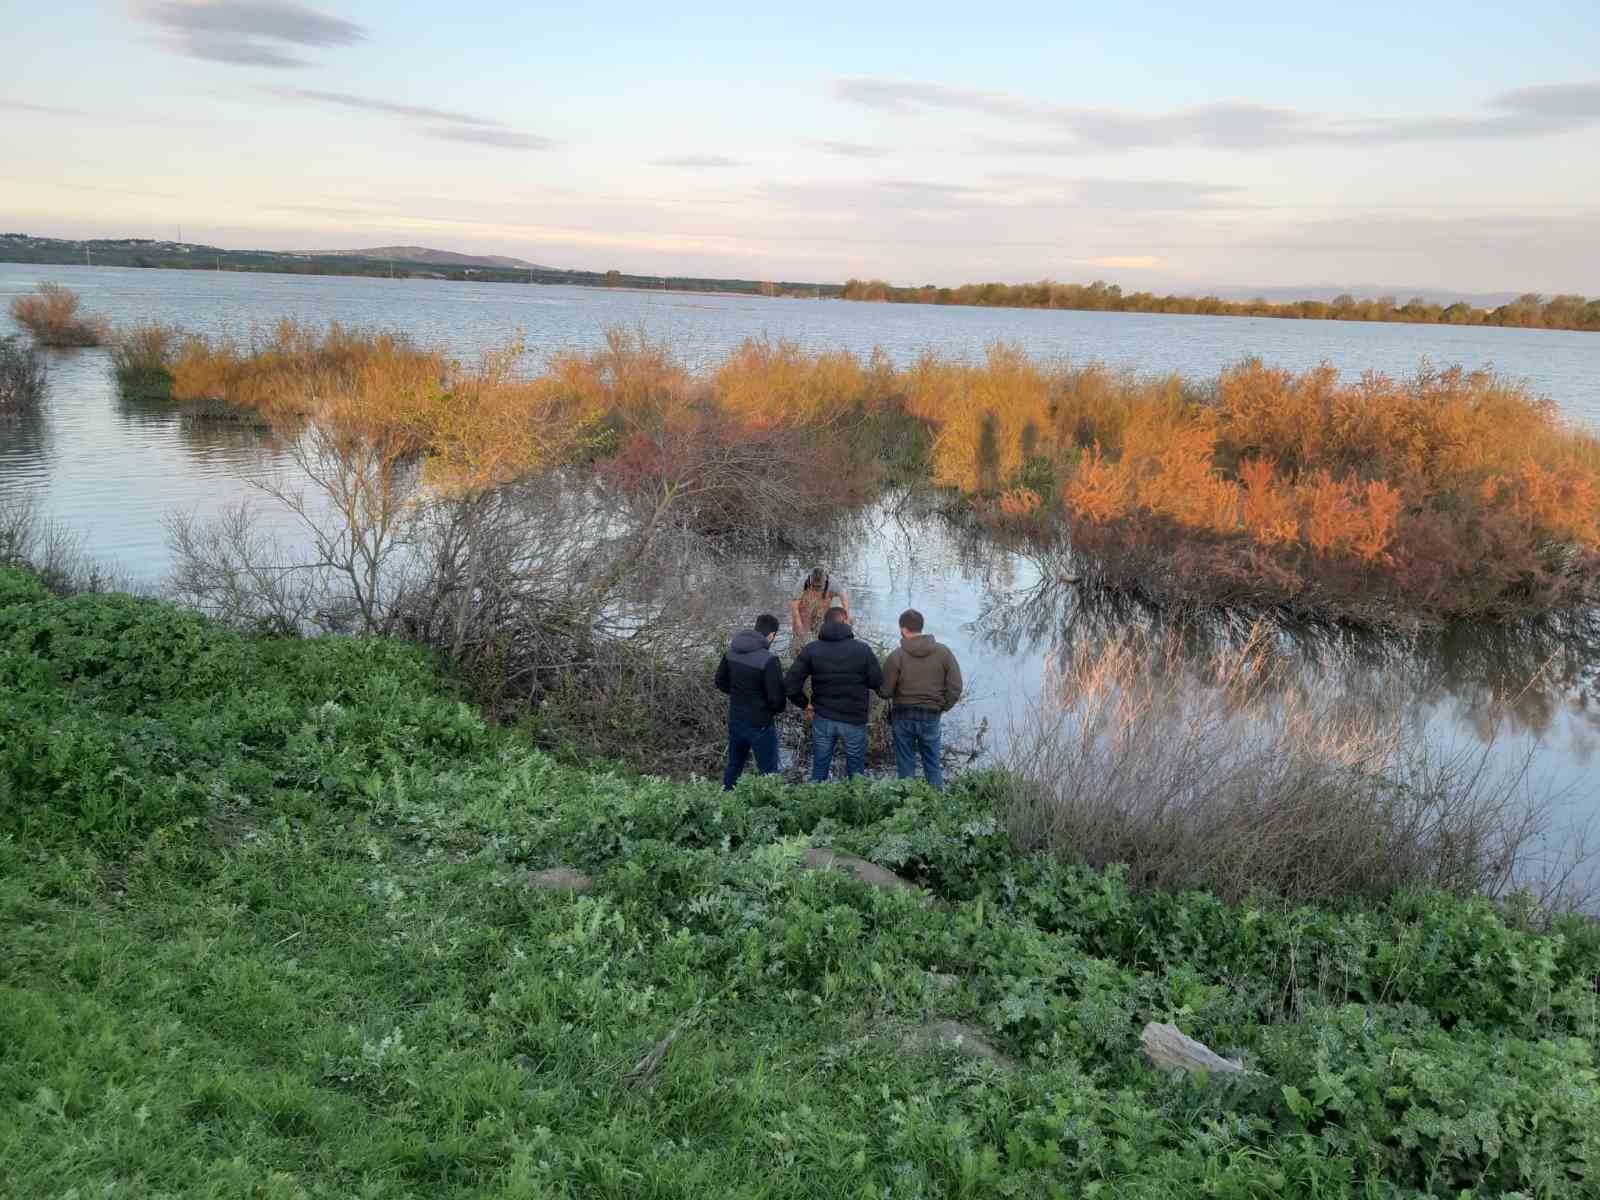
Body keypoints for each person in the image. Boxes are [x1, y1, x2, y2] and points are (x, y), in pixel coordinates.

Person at [784, 606, 882, 781]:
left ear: (825, 623)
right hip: (854, 719)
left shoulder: (812, 649)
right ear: (844, 619)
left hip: (823, 718)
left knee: (820, 767)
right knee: (856, 774)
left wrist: (805, 704)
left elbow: (790, 685)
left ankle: (817, 804)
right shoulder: (863, 650)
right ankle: (855, 805)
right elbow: (876, 683)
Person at [877, 608, 963, 790]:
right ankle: (935, 806)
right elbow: (955, 687)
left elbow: (885, 692)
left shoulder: (896, 656)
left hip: (903, 715)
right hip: (931, 715)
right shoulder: (943, 653)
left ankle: (907, 806)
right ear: (921, 627)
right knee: (932, 764)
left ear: (902, 629)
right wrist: (942, 706)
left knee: (905, 764)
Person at [713, 613, 786, 790]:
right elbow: (777, 700)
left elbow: (720, 682)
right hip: (760, 725)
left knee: (734, 765)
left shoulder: (731, 652)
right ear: (771, 636)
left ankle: (727, 798)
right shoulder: (769, 660)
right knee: (768, 771)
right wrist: (767, 709)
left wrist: (739, 695)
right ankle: (770, 807)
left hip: (736, 719)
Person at [790, 566, 849, 642]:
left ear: (825, 581)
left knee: (820, 625)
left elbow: (844, 597)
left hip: (822, 604)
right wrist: (798, 623)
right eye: (814, 586)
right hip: (805, 604)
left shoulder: (832, 582)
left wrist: (846, 618)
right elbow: (794, 605)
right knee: (799, 632)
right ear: (810, 579)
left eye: (819, 586)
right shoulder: (802, 582)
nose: (816, 588)